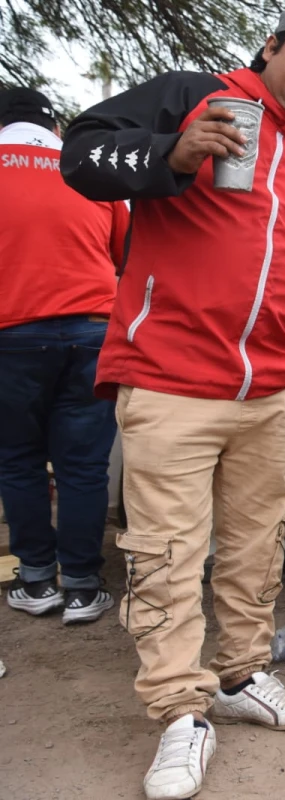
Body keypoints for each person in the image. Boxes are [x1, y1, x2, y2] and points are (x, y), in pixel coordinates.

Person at [59, 3, 285, 798]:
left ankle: (242, 674)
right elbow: (80, 154)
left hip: (274, 393)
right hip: (169, 383)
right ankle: (179, 713)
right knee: (165, 556)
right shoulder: (195, 96)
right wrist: (173, 151)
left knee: (258, 545)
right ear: (271, 46)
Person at [0, 87, 128, 624]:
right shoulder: (87, 168)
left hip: (10, 332)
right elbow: (125, 253)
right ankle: (81, 587)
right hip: (92, 330)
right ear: (54, 127)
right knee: (83, 466)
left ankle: (35, 580)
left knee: (18, 460)